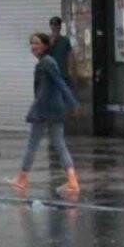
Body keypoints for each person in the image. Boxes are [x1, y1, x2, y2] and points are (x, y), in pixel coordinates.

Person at [10, 33, 80, 196]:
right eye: (32, 43)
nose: (33, 46)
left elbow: (59, 82)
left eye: (37, 43)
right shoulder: (47, 62)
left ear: (45, 46)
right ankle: (72, 181)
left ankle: (22, 178)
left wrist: (73, 103)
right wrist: (70, 103)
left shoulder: (46, 63)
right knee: (59, 144)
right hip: (54, 109)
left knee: (33, 144)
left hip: (44, 109)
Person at [47, 16, 72, 83]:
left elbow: (70, 57)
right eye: (52, 24)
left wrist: (70, 72)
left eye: (56, 24)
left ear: (60, 26)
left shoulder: (65, 40)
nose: (54, 26)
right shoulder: (46, 39)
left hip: (63, 74)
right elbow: (43, 55)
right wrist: (51, 43)